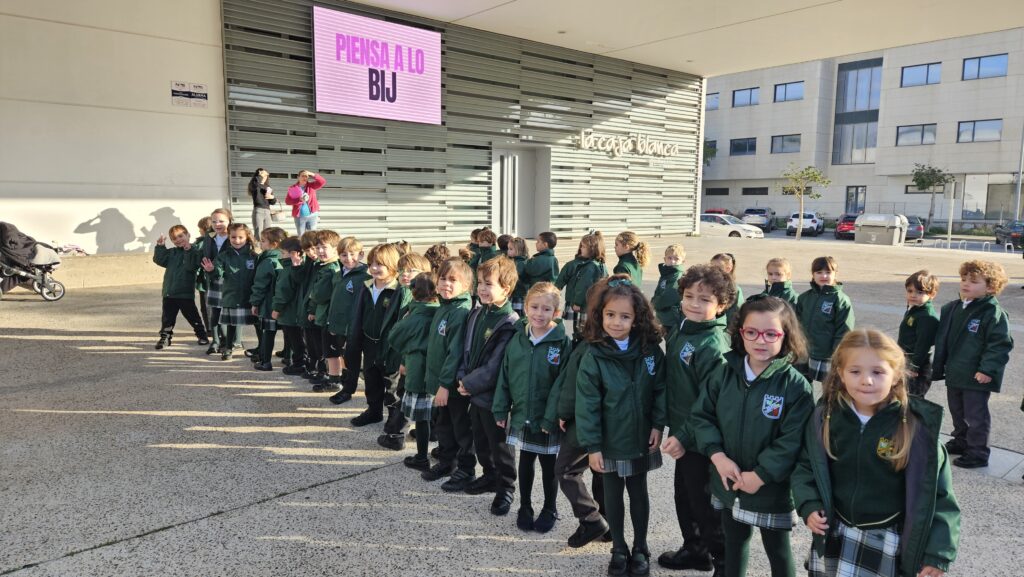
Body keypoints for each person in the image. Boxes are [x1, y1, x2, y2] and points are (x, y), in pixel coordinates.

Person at [793, 329, 961, 577]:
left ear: (896, 375)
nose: (866, 380)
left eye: (878, 372)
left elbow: (939, 496)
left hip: (886, 538)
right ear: (840, 373)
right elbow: (806, 467)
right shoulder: (826, 418)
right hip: (836, 531)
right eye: (855, 371)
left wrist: (938, 553)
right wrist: (809, 504)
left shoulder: (915, 430)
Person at [691, 295, 813, 577]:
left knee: (778, 549)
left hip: (771, 488)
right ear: (740, 333)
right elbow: (702, 417)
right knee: (734, 542)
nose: (761, 340)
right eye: (752, 332)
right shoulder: (723, 374)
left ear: (785, 336)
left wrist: (760, 475)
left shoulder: (795, 386)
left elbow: (793, 440)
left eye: (771, 334)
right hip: (728, 480)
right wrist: (717, 456)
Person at [576, 275, 666, 577]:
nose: (616, 322)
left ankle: (641, 547)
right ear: (600, 315)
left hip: (640, 436)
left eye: (625, 316)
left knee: (638, 491)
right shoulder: (594, 355)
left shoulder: (650, 351)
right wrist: (593, 446)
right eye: (610, 315)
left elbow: (661, 390)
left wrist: (658, 424)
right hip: (609, 439)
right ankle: (618, 547)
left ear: (637, 318)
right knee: (612, 494)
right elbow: (587, 405)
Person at [658, 264, 735, 575]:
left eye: (705, 299)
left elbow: (709, 403)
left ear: (722, 305)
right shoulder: (683, 329)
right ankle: (695, 549)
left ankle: (724, 561)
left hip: (701, 439)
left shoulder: (713, 346)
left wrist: (684, 437)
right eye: (689, 296)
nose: (693, 304)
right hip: (683, 432)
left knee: (704, 504)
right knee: (685, 496)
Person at [493, 282, 571, 532]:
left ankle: (550, 508)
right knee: (525, 461)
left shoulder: (562, 343)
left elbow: (563, 384)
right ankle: (525, 506)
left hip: (547, 418)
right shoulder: (517, 339)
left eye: (546, 309)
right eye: (534, 307)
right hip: (522, 413)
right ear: (525, 307)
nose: (539, 313)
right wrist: (500, 408)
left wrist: (551, 417)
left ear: (556, 313)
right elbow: (505, 376)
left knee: (549, 465)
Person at [932, 260, 1013, 469]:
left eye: (974, 281)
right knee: (957, 411)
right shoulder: (956, 308)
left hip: (976, 375)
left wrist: (987, 370)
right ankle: (962, 441)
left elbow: (999, 345)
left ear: (991, 288)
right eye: (964, 279)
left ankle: (978, 452)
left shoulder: (992, 313)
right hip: (956, 371)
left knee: (975, 416)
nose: (966, 284)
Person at [454, 256, 520, 497]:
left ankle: (506, 488)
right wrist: (462, 376)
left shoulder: (509, 323)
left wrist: (468, 383)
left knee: (499, 445)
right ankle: (490, 476)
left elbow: (495, 366)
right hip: (474, 393)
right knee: (481, 441)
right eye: (480, 282)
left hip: (494, 397)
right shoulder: (478, 314)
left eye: (488, 284)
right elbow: (467, 349)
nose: (481, 288)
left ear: (506, 288)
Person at [344, 243, 410, 430]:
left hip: (389, 347)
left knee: (391, 384)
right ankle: (374, 411)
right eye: (371, 264)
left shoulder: (399, 291)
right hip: (369, 343)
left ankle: (394, 417)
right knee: (371, 379)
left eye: (379, 264)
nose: (373, 268)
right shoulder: (366, 286)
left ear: (392, 265)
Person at [421, 258, 475, 484]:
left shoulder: (460, 311)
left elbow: (455, 353)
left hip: (451, 386)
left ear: (466, 285)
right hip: (440, 383)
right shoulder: (444, 306)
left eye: (453, 280)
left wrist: (444, 385)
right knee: (443, 425)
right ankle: (446, 461)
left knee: (460, 428)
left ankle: (466, 469)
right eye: (443, 278)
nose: (446, 284)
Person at [392, 273, 441, 471]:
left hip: (418, 370)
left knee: (421, 419)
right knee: (435, 414)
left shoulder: (415, 316)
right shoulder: (441, 312)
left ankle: (421, 457)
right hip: (437, 372)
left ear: (414, 292)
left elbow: (394, 337)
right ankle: (438, 448)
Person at [321, 237, 369, 395]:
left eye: (352, 254)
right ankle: (336, 380)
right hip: (334, 322)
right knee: (334, 352)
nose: (348, 258)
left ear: (361, 254)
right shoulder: (338, 273)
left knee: (348, 357)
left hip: (350, 326)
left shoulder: (365, 277)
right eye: (343, 255)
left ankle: (349, 385)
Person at [202, 223, 257, 361]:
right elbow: (218, 273)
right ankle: (228, 348)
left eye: (240, 237)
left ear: (247, 237)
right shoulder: (224, 256)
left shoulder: (253, 256)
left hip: (250, 297)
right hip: (231, 296)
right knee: (231, 324)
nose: (237, 240)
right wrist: (211, 270)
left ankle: (262, 349)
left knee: (258, 323)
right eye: (233, 237)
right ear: (229, 237)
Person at [796, 256, 855, 384]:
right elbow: (796, 324)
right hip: (804, 351)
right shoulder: (804, 298)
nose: (824, 276)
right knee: (801, 382)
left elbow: (844, 330)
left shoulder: (841, 300)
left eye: (828, 272)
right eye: (819, 272)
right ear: (813, 274)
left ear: (835, 274)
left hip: (827, 355)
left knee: (830, 385)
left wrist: (837, 353)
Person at [152, 225, 208, 349]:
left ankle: (201, 335)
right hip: (169, 292)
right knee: (167, 318)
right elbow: (159, 259)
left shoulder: (195, 251)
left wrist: (188, 250)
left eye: (181, 236)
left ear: (188, 235)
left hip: (185, 293)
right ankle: (165, 337)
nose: (178, 240)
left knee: (192, 316)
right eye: (174, 238)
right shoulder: (172, 252)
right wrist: (160, 246)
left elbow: (191, 266)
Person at [306, 230, 342, 388]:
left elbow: (320, 294)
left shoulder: (331, 269)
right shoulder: (323, 266)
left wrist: (312, 296)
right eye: (318, 247)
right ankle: (332, 376)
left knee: (332, 349)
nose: (320, 251)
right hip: (324, 314)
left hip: (329, 315)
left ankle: (334, 378)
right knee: (327, 348)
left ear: (335, 249)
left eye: (324, 247)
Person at [249, 227, 287, 370]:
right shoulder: (286, 258)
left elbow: (260, 285)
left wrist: (254, 303)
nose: (260, 243)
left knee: (268, 332)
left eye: (263, 241)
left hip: (269, 305)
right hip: (285, 304)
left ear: (274, 244)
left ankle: (265, 361)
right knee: (288, 332)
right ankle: (288, 357)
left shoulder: (267, 261)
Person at [898, 270, 940, 397]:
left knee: (913, 398)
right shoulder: (916, 309)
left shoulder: (926, 316)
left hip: (917, 364)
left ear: (932, 294)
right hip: (906, 358)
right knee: (902, 395)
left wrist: (914, 366)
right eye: (910, 291)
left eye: (920, 292)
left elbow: (923, 344)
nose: (913, 295)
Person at [200, 208, 233, 355]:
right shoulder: (209, 236)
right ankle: (215, 341)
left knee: (228, 312)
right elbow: (205, 254)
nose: (217, 224)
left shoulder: (234, 235)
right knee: (214, 311)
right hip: (213, 277)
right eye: (214, 221)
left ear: (229, 221)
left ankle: (229, 341)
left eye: (221, 221)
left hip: (228, 279)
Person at [272, 236, 306, 373]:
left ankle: (298, 364)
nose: (281, 255)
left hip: (289, 312)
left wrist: (276, 309)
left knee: (295, 339)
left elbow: (283, 292)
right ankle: (299, 361)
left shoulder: (287, 270)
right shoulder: (300, 267)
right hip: (297, 311)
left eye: (283, 253)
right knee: (298, 338)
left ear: (293, 254)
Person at [652, 244, 686, 330]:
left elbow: (669, 296)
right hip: (663, 317)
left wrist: (653, 304)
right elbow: (658, 291)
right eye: (669, 258)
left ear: (682, 261)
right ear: (665, 259)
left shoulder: (677, 276)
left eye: (676, 259)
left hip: (671, 319)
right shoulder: (666, 273)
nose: (672, 261)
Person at [286, 170, 324, 235]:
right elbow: (288, 201)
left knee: (312, 235)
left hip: (312, 215)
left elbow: (322, 181)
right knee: (301, 235)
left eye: (306, 176)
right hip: (300, 216)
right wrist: (299, 200)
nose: (305, 178)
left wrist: (312, 174)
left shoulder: (311, 186)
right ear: (298, 177)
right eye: (303, 176)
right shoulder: (293, 188)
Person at [711, 253, 743, 328]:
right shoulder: (708, 285)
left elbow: (734, 316)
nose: (713, 271)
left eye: (718, 268)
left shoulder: (735, 290)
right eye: (711, 267)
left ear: (728, 269)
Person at [248, 168, 276, 239]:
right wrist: (260, 175)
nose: (264, 177)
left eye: (266, 175)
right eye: (263, 175)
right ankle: (258, 245)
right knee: (258, 232)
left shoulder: (268, 187)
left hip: (267, 210)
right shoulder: (255, 185)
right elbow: (256, 185)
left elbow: (273, 202)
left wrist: (272, 197)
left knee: (267, 232)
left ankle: (266, 244)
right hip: (258, 210)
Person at [507, 237, 529, 314]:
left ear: (518, 250)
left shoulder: (520, 263)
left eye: (511, 249)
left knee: (517, 314)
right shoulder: (515, 261)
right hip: (516, 293)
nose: (508, 251)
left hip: (518, 293)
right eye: (508, 248)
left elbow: (513, 277)